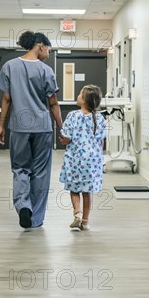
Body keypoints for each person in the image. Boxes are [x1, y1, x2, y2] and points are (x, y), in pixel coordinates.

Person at [0, 31, 63, 229]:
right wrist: (62, 128)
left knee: (20, 169)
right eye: (49, 50)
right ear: (40, 45)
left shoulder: (9, 66)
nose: (49, 54)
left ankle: (23, 205)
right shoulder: (46, 70)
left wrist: (1, 125)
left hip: (19, 127)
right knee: (41, 173)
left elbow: (6, 99)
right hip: (42, 127)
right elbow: (53, 104)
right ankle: (35, 219)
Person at [59, 85, 107, 230]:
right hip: (91, 161)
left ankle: (77, 214)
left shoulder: (73, 115)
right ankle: (85, 222)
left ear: (85, 99)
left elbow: (66, 137)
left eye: (80, 93)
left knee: (74, 189)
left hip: (75, 158)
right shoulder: (100, 118)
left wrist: (63, 141)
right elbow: (101, 142)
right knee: (87, 191)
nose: (78, 95)